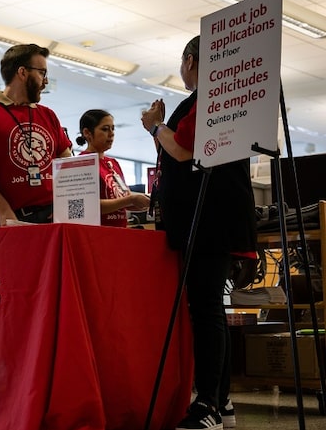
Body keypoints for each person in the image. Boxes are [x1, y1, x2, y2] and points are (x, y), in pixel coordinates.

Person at [141, 35, 256, 430]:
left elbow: (186, 151)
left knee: (205, 310)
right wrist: (161, 131)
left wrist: (156, 126)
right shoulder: (217, 99)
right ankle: (219, 402)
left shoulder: (210, 99)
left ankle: (206, 404)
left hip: (208, 220)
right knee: (210, 311)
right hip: (207, 218)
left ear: (191, 60)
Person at [0, 43, 72, 226]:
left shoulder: (48, 115)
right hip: (11, 220)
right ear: (22, 73)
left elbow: (69, 166)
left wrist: (65, 207)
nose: (45, 81)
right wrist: (5, 212)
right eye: (42, 73)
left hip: (54, 217)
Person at [76, 109, 150, 227]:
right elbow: (88, 206)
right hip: (98, 234)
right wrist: (130, 200)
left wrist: (148, 202)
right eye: (105, 129)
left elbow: (124, 200)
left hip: (119, 232)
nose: (111, 134)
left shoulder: (113, 163)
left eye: (113, 129)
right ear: (87, 133)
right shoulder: (81, 162)